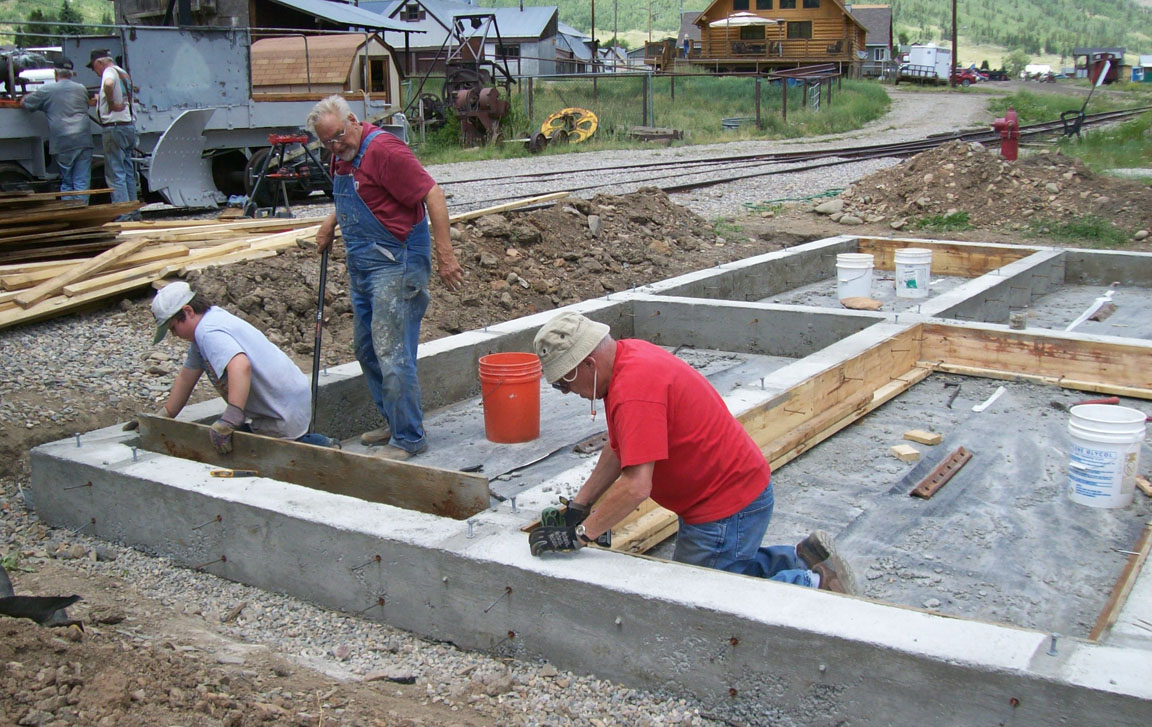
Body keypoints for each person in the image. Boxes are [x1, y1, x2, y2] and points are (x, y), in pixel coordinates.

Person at [527, 312, 857, 595]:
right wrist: (579, 506)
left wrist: (582, 535)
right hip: (731, 492)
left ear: (588, 363)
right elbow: (618, 449)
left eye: (565, 382)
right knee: (721, 568)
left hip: (725, 506)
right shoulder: (627, 359)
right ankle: (801, 557)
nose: (567, 392)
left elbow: (636, 486)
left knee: (701, 596)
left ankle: (812, 582)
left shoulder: (634, 392)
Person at [304, 95, 464, 461]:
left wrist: (446, 256)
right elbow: (361, 195)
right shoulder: (341, 155)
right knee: (366, 348)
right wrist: (331, 223)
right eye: (326, 141)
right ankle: (395, 421)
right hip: (364, 266)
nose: (335, 146)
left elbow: (433, 195)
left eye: (339, 136)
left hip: (398, 264)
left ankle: (408, 438)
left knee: (393, 353)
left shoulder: (385, 151)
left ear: (354, 121)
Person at [150, 281, 339, 454]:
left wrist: (232, 417)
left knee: (279, 450)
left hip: (279, 402)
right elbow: (186, 377)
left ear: (189, 311)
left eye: (173, 328)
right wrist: (163, 416)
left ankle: (326, 449)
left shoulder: (208, 332)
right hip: (281, 395)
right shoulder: (204, 332)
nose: (174, 335)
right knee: (258, 440)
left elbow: (240, 365)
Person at [19, 57, 93, 203]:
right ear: (71, 73)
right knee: (82, 180)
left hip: (63, 139)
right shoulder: (81, 88)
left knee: (67, 181)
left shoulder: (47, 90)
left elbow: (25, 104)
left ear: (55, 73)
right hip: (83, 138)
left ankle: (68, 211)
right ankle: (81, 211)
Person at [86, 49, 139, 220]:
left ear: (100, 62)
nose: (95, 72)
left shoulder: (108, 72)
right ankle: (133, 211)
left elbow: (108, 84)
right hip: (128, 125)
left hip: (114, 127)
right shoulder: (123, 73)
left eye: (94, 67)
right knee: (128, 171)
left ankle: (123, 215)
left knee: (115, 174)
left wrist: (110, 103)